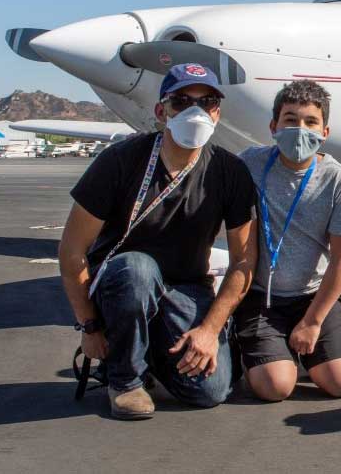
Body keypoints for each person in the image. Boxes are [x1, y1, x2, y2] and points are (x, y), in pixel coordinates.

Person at [58, 63, 258, 419]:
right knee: (138, 269)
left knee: (210, 391)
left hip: (186, 287)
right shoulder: (120, 161)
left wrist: (210, 330)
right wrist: (89, 326)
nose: (195, 111)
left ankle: (148, 353)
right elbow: (72, 250)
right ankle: (125, 380)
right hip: (124, 282)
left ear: (218, 112)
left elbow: (243, 259)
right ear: (161, 111)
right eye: (181, 101)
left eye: (207, 101)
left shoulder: (229, 171)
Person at [234, 80, 341, 401]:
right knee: (275, 387)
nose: (300, 129)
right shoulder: (249, 164)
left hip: (312, 298)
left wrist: (312, 322)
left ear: (325, 132)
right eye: (290, 120)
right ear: (273, 126)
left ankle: (297, 346)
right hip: (262, 298)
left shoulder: (338, 179)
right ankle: (261, 351)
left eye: (310, 122)